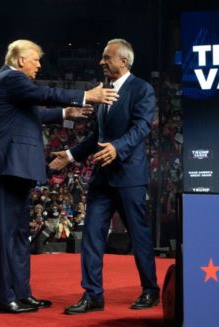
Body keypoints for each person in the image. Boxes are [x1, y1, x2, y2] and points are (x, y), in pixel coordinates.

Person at [0, 39, 118, 314]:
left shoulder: (14, 87)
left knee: (20, 234)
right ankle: (1, 297)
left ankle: (21, 293)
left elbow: (34, 114)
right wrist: (84, 96)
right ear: (20, 60)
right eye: (35, 60)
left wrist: (66, 113)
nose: (39, 65)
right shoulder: (10, 79)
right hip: (8, 165)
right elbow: (43, 94)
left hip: (18, 166)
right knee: (7, 234)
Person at [49, 38, 160, 314]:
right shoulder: (105, 91)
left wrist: (117, 147)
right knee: (91, 235)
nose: (101, 62)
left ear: (123, 61)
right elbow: (97, 137)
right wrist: (71, 155)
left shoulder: (142, 89)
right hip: (102, 177)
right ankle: (93, 294)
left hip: (129, 176)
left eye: (105, 57)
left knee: (139, 235)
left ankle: (150, 290)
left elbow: (141, 127)